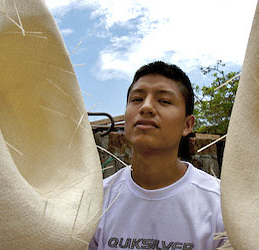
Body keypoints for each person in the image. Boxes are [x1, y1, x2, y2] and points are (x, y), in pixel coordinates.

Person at [89, 61, 226, 250]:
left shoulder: (220, 206)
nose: (146, 107)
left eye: (164, 101)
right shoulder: (98, 201)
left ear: (188, 125)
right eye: (137, 99)